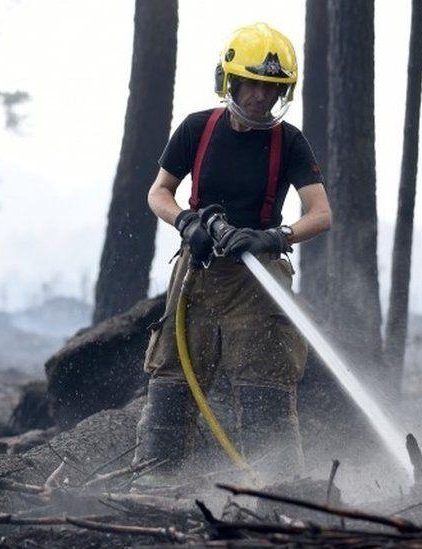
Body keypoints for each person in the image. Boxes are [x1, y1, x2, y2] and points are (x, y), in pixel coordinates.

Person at [134, 22, 332, 483]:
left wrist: (276, 237)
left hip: (259, 282)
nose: (261, 97)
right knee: (172, 376)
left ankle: (279, 486)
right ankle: (155, 481)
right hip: (197, 273)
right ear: (229, 80)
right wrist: (186, 221)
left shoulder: (290, 142)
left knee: (265, 383)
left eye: (272, 88)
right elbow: (160, 192)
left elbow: (320, 213)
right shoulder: (197, 129)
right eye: (253, 85)